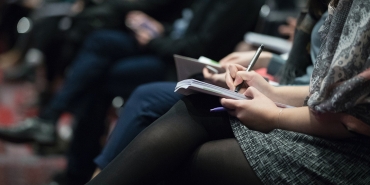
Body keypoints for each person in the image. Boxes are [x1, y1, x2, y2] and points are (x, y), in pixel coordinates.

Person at [87, 0, 370, 184]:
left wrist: (274, 116)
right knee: (192, 105)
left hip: (350, 155)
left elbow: (353, 119)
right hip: (322, 120)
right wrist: (268, 90)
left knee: (179, 158)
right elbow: (324, 93)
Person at [0, 0, 265, 184]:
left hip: (187, 67)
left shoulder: (238, 3)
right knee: (98, 41)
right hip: (167, 48)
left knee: (102, 77)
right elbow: (183, 24)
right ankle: (61, 136)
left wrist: (155, 39)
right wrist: (158, 29)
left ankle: (80, 166)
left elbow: (198, 46)